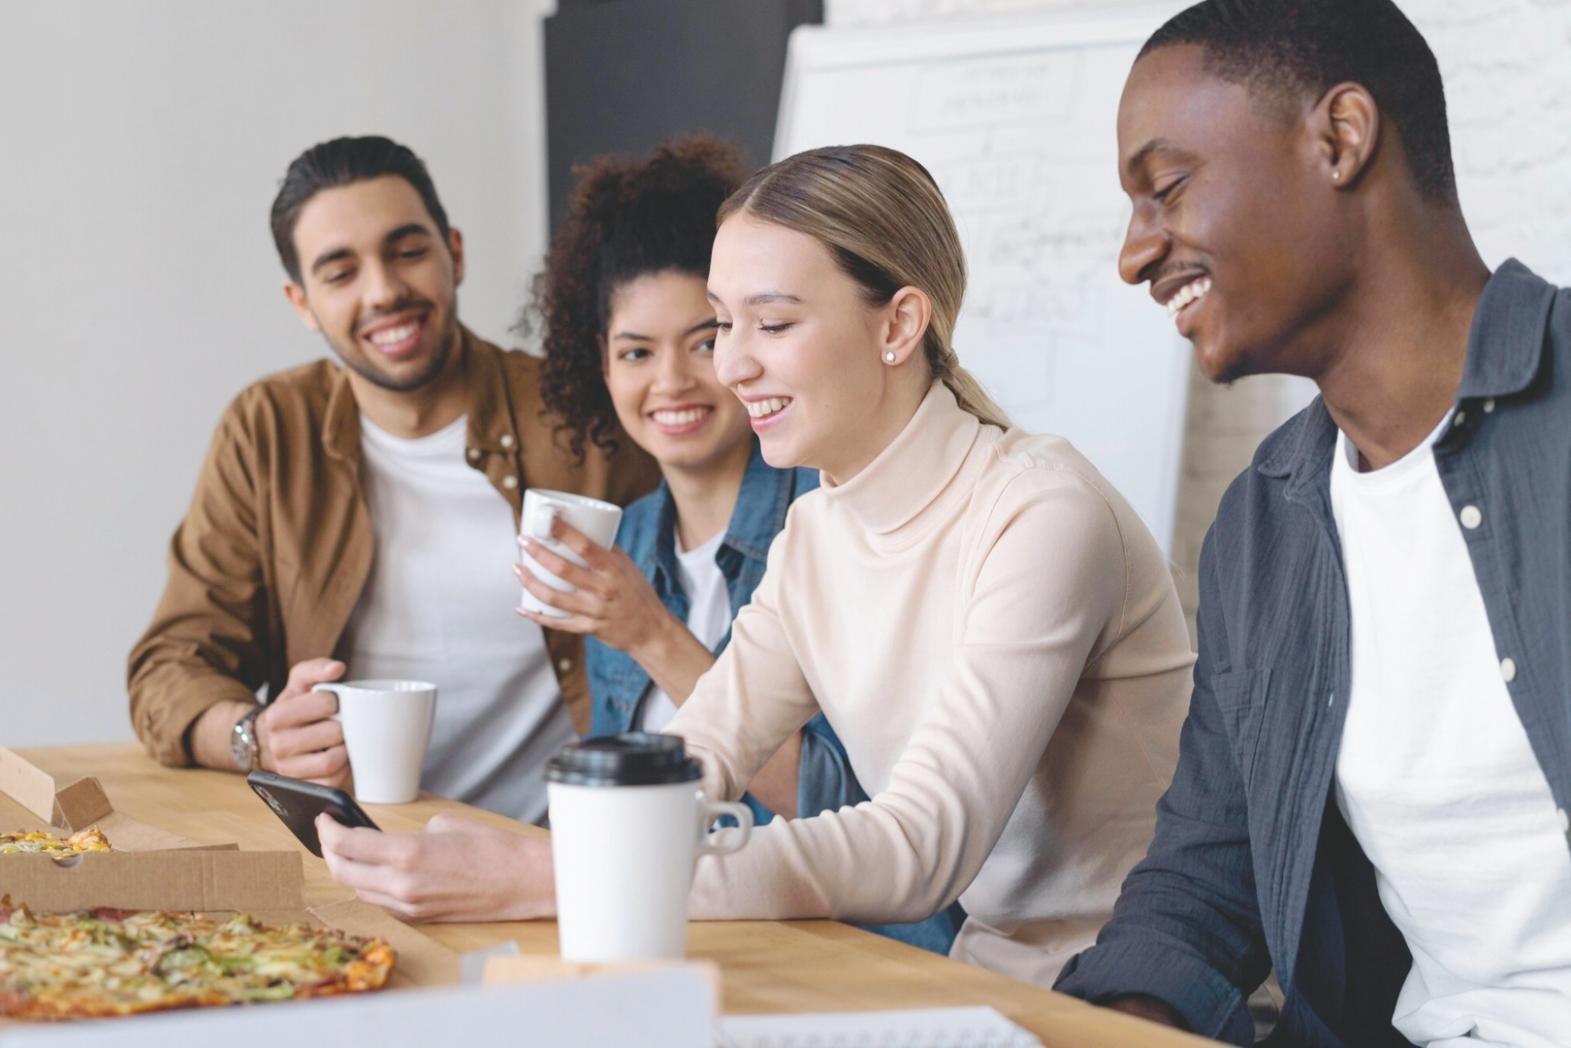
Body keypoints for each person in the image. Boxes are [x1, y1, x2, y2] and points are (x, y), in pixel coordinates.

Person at [317, 143, 1193, 987]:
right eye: (726, 323)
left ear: (897, 324)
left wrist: (557, 874)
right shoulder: (818, 530)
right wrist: (522, 849)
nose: (733, 365)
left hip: (1122, 998)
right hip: (987, 980)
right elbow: (700, 752)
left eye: (770, 323)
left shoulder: (1039, 514)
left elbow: (919, 849)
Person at [1054, 1, 1571, 1044]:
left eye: (1166, 187)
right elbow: (1209, 870)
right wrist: (1122, 1018)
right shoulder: (1264, 524)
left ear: (1338, 138)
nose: (1133, 254)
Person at [127, 135, 657, 823]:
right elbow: (169, 666)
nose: (383, 292)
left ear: (454, 254)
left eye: (406, 252)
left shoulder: (577, 416)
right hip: (352, 847)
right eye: (340, 273)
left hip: (555, 847)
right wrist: (255, 737)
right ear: (301, 302)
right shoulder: (268, 431)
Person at [516, 136, 962, 954]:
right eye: (635, 352)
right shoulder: (629, 540)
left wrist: (649, 633)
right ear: (600, 368)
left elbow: (855, 813)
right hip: (685, 930)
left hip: (843, 949)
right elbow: (628, 786)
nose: (676, 380)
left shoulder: (831, 515)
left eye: (706, 336)